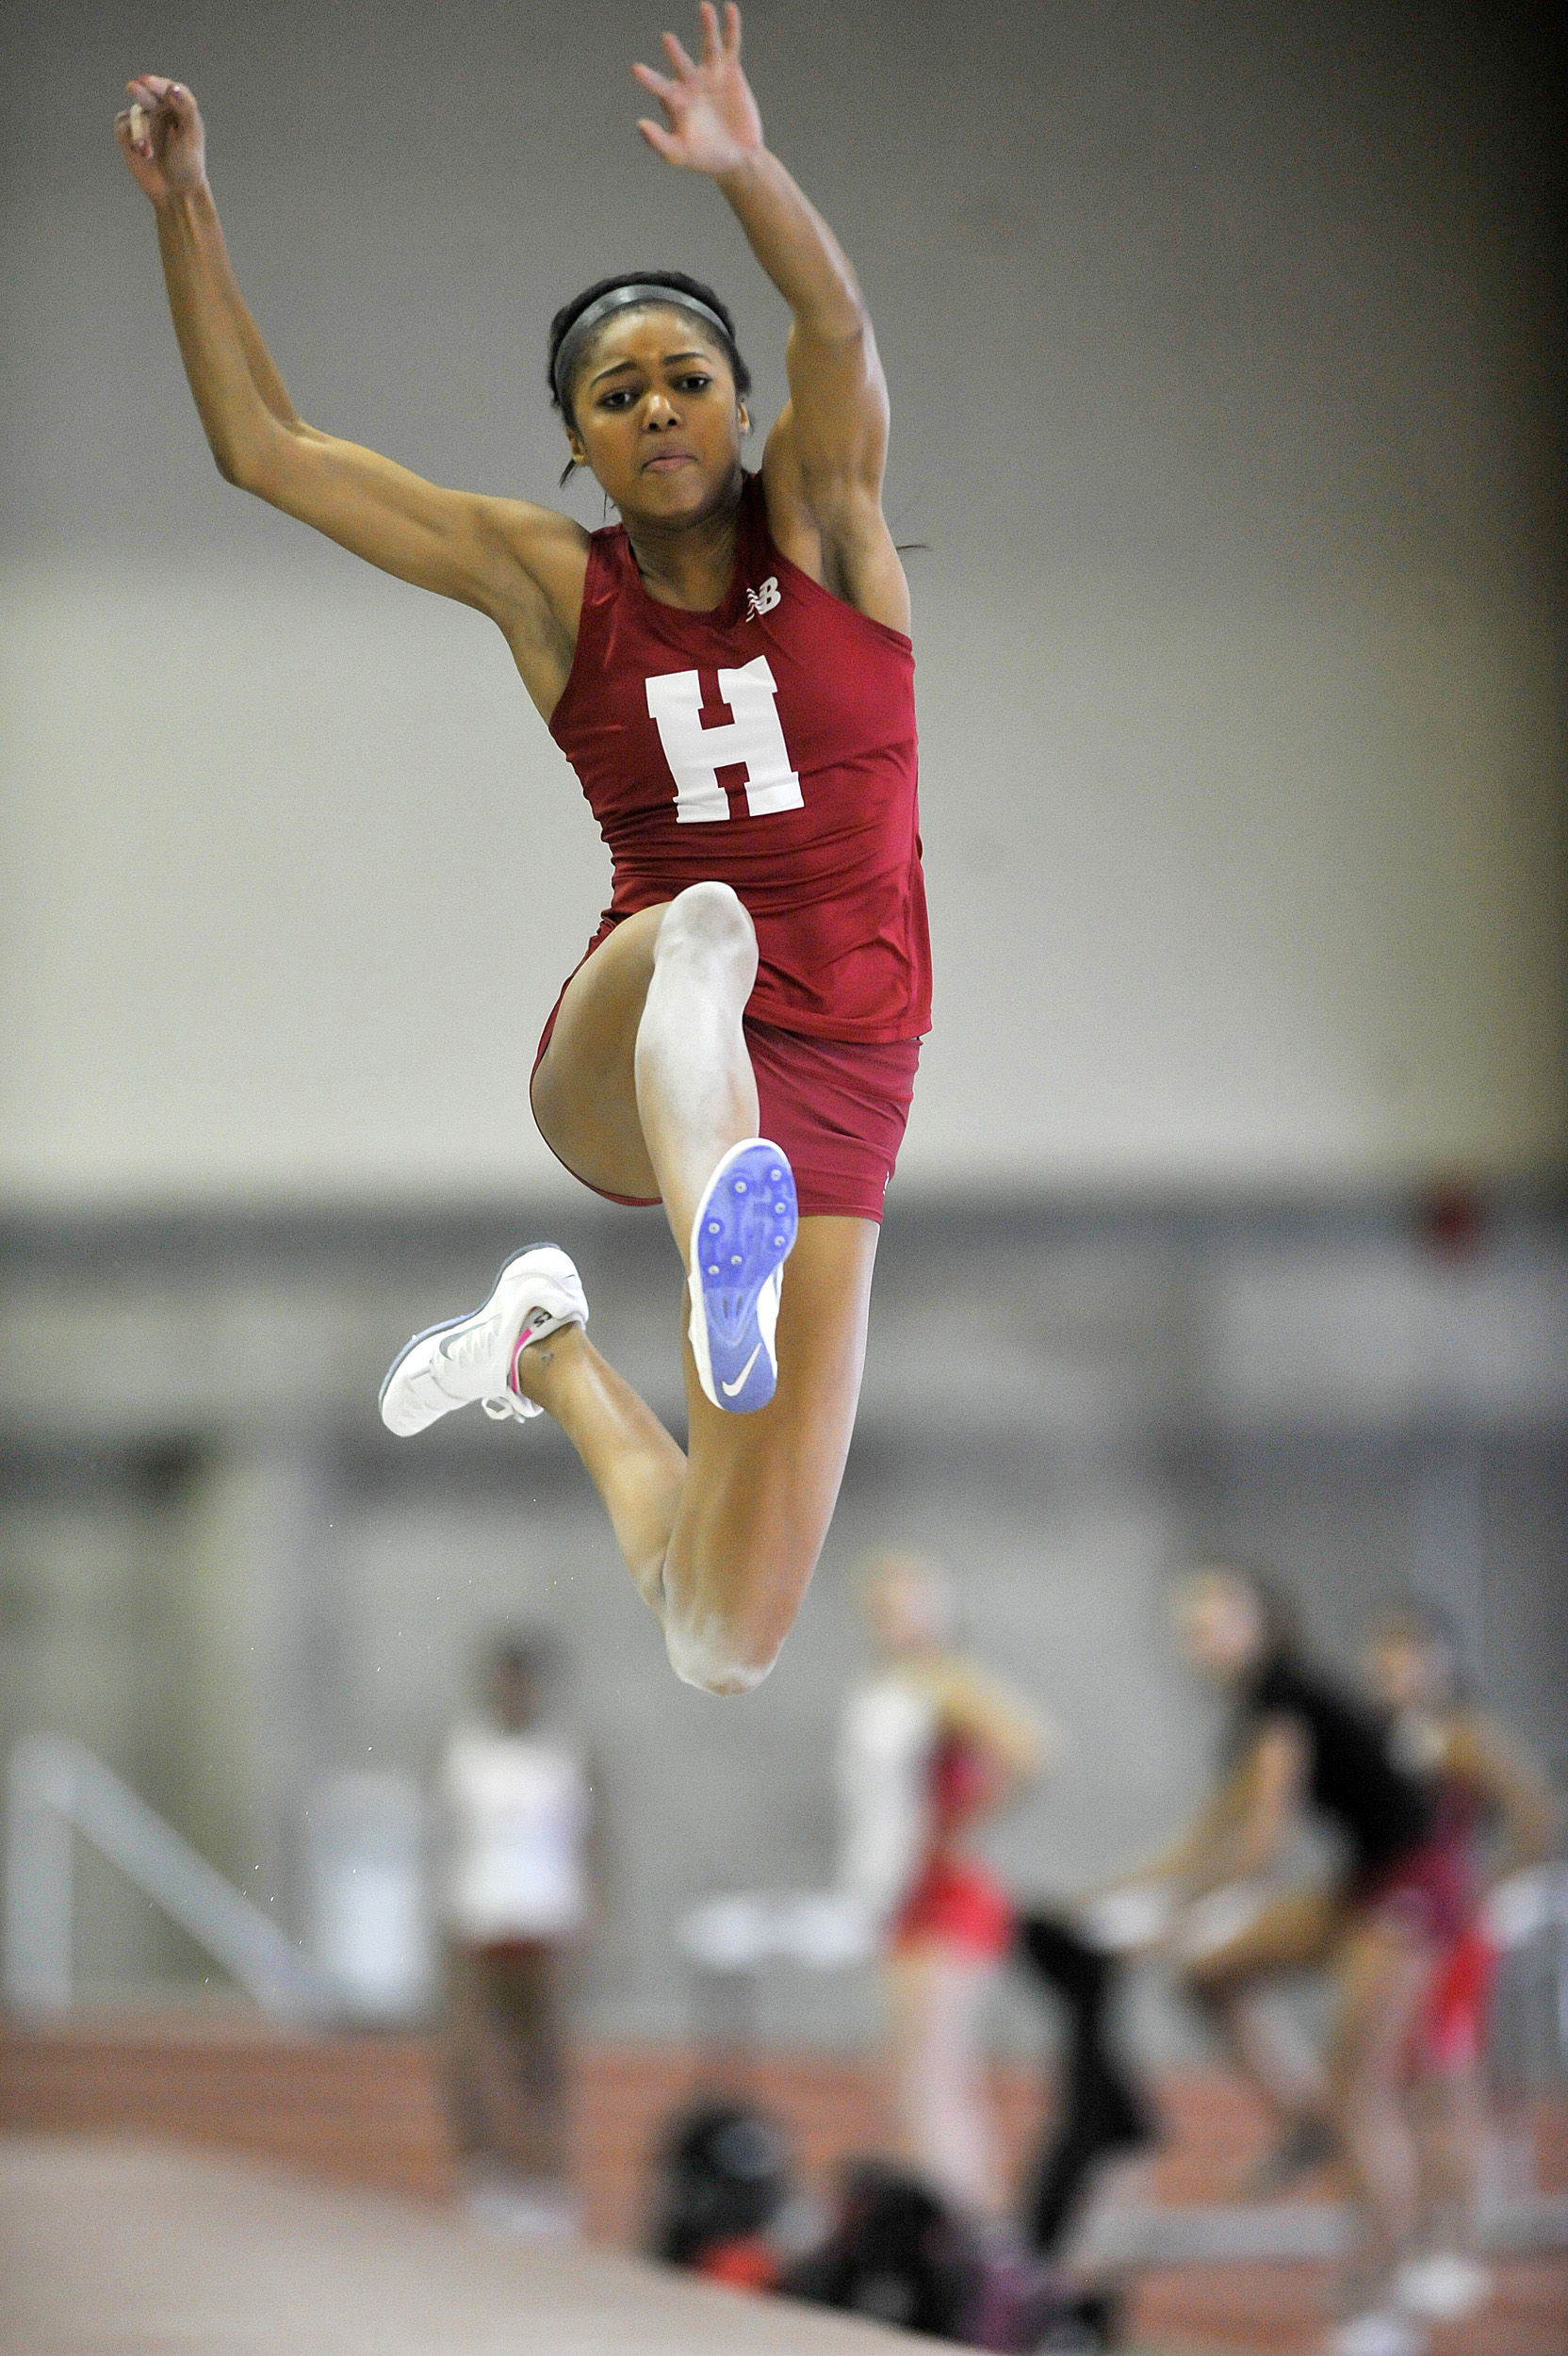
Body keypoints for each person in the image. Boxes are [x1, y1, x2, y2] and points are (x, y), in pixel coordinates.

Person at [116, 3, 929, 1698]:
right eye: (615, 393)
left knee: (723, 1638)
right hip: (635, 1044)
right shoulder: (558, 588)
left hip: (843, 1074)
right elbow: (266, 452)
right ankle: (727, 1265)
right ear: (579, 445)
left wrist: (745, 169)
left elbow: (833, 320)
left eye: (686, 379)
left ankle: (545, 1351)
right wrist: (186, 206)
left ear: (736, 409)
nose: (657, 408)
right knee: (705, 920)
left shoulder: (835, 531)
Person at [1093, 1562, 1469, 2356]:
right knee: (1209, 1976)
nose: (1204, 1636)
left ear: (1264, 1620)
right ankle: (1304, 2122)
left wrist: (1173, 1919)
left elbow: (1261, 1846)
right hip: (1364, 1879)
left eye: (1221, 1617)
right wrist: (1110, 1893)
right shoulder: (1250, 1711)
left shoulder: (1283, 1697)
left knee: (1362, 2089)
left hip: (1411, 1887)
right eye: (1192, 1624)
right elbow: (1207, 1835)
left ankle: (1383, 2291)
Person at [837, 1550, 1052, 2220]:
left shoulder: (949, 1682)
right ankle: (948, 2240)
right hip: (904, 1897)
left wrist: (956, 1826)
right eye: (884, 1605)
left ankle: (966, 2247)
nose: (895, 1618)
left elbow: (1032, 1748)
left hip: (947, 1896)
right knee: (916, 2083)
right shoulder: (890, 1687)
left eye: (910, 1602)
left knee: (931, 2084)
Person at [1364, 1595, 1557, 2328]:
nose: (1393, 1673)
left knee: (1448, 2089)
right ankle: (1423, 2237)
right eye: (1383, 1661)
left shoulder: (1461, 1735)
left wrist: (1496, 1895)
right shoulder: (1391, 1737)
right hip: (1403, 1932)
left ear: (1441, 1663)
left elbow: (1534, 1808)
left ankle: (1458, 2245)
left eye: (1408, 1657)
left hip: (1449, 1937)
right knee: (1411, 2090)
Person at [439, 1630, 595, 2237]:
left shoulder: (566, 1755)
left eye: (524, 1684)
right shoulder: (464, 1752)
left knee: (542, 2057)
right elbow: (449, 1838)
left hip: (546, 1919)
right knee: (478, 2053)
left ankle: (547, 2179)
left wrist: (590, 1912)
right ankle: (488, 2174)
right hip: (480, 1918)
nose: (514, 1695)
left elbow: (592, 1840)